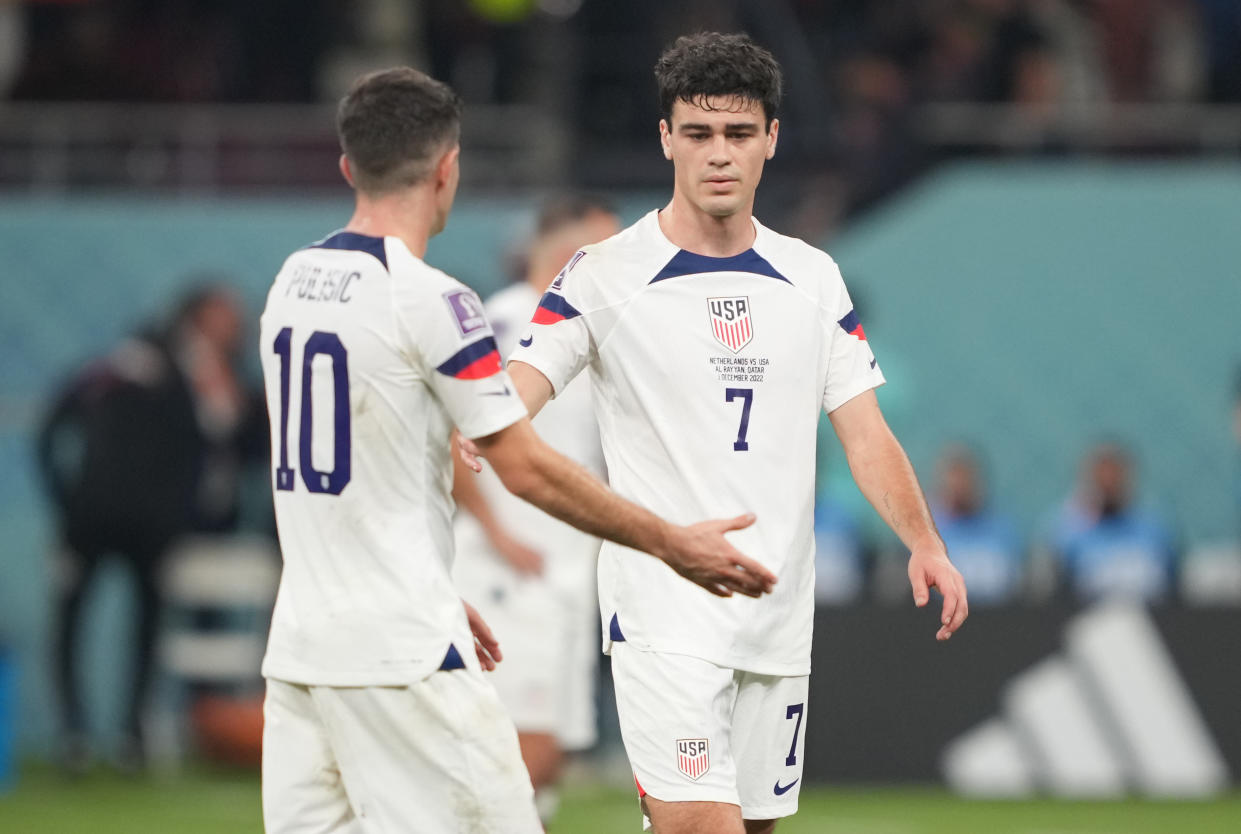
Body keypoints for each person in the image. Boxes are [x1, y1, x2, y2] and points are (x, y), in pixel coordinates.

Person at [461, 32, 968, 834]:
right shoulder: (602, 274)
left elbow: (863, 432)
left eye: (738, 133)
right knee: (704, 826)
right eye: (696, 133)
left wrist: (924, 540)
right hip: (662, 607)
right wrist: (471, 433)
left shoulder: (812, 278)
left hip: (775, 613)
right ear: (666, 138)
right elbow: (511, 397)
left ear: (772, 137)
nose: (717, 154)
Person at [257, 67, 776, 834]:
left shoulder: (292, 282)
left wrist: (429, 581)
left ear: (346, 167)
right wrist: (672, 544)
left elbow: (353, 468)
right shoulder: (437, 301)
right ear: (447, 168)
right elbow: (522, 467)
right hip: (401, 654)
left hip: (301, 650)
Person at [36, 284, 260, 774]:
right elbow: (57, 421)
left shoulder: (225, 379)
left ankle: (134, 734)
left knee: (149, 626)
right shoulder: (139, 361)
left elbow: (242, 446)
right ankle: (73, 733)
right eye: (223, 314)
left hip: (157, 531)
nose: (234, 326)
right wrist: (64, 496)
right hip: (91, 520)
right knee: (72, 623)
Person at [450, 193, 620, 823]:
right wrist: (494, 531)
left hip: (564, 563)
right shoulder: (507, 319)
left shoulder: (579, 325)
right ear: (563, 251)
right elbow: (451, 432)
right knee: (528, 742)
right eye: (601, 245)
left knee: (554, 753)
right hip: (514, 571)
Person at [1044, 442, 1176, 601]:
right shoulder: (1066, 531)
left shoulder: (1155, 529)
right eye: (1101, 474)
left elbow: (1173, 587)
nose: (1108, 481)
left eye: (1114, 473)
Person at [930, 444, 1023, 605]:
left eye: (965, 477)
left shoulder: (1003, 531)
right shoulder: (928, 533)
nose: (960, 485)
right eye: (954, 477)